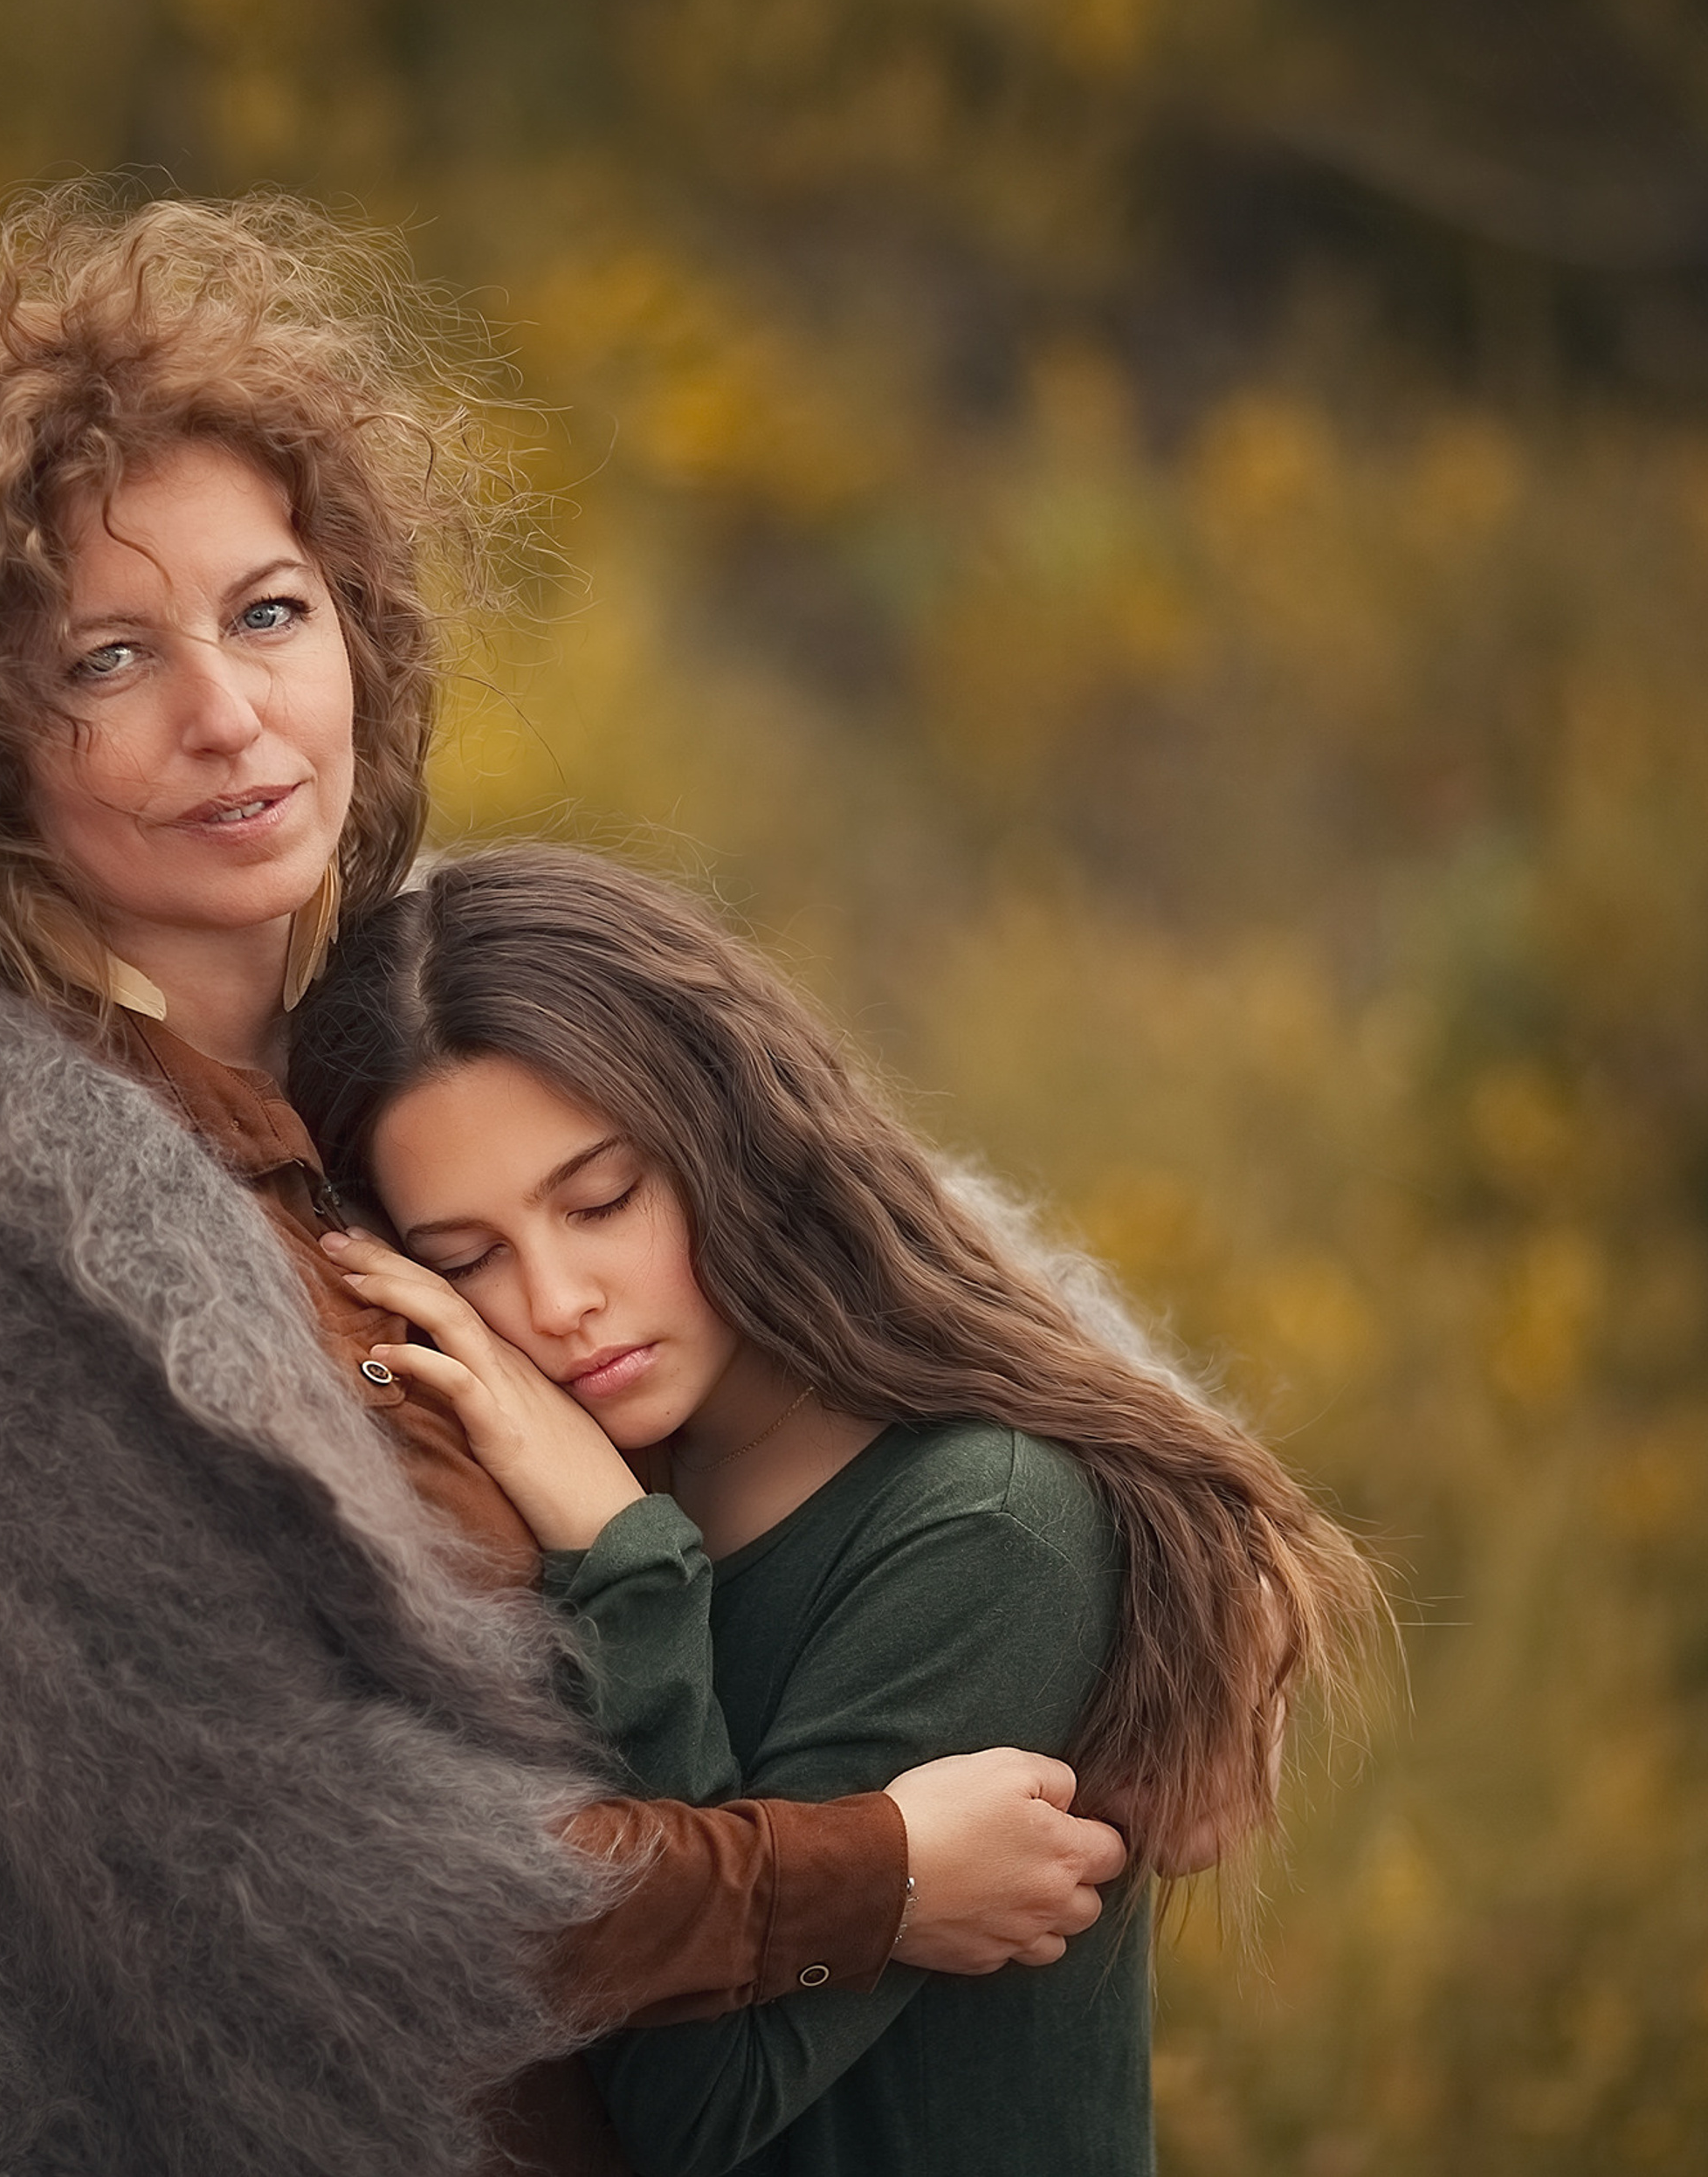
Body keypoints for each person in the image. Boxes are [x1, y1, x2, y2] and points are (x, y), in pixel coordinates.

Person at [0, 189, 1132, 2177]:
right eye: (105, 658)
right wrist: (858, 1872)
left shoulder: (407, 1024)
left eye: (266, 611)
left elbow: (864, 1270)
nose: (225, 715)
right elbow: (262, 1849)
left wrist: (1094, 1525)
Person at [290, 845, 1386, 2177]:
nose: (556, 1300)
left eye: (601, 1202)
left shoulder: (981, 1524)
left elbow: (698, 2110)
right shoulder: (597, 1469)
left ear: (728, 1147)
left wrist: (630, 1570)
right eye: (467, 1261)